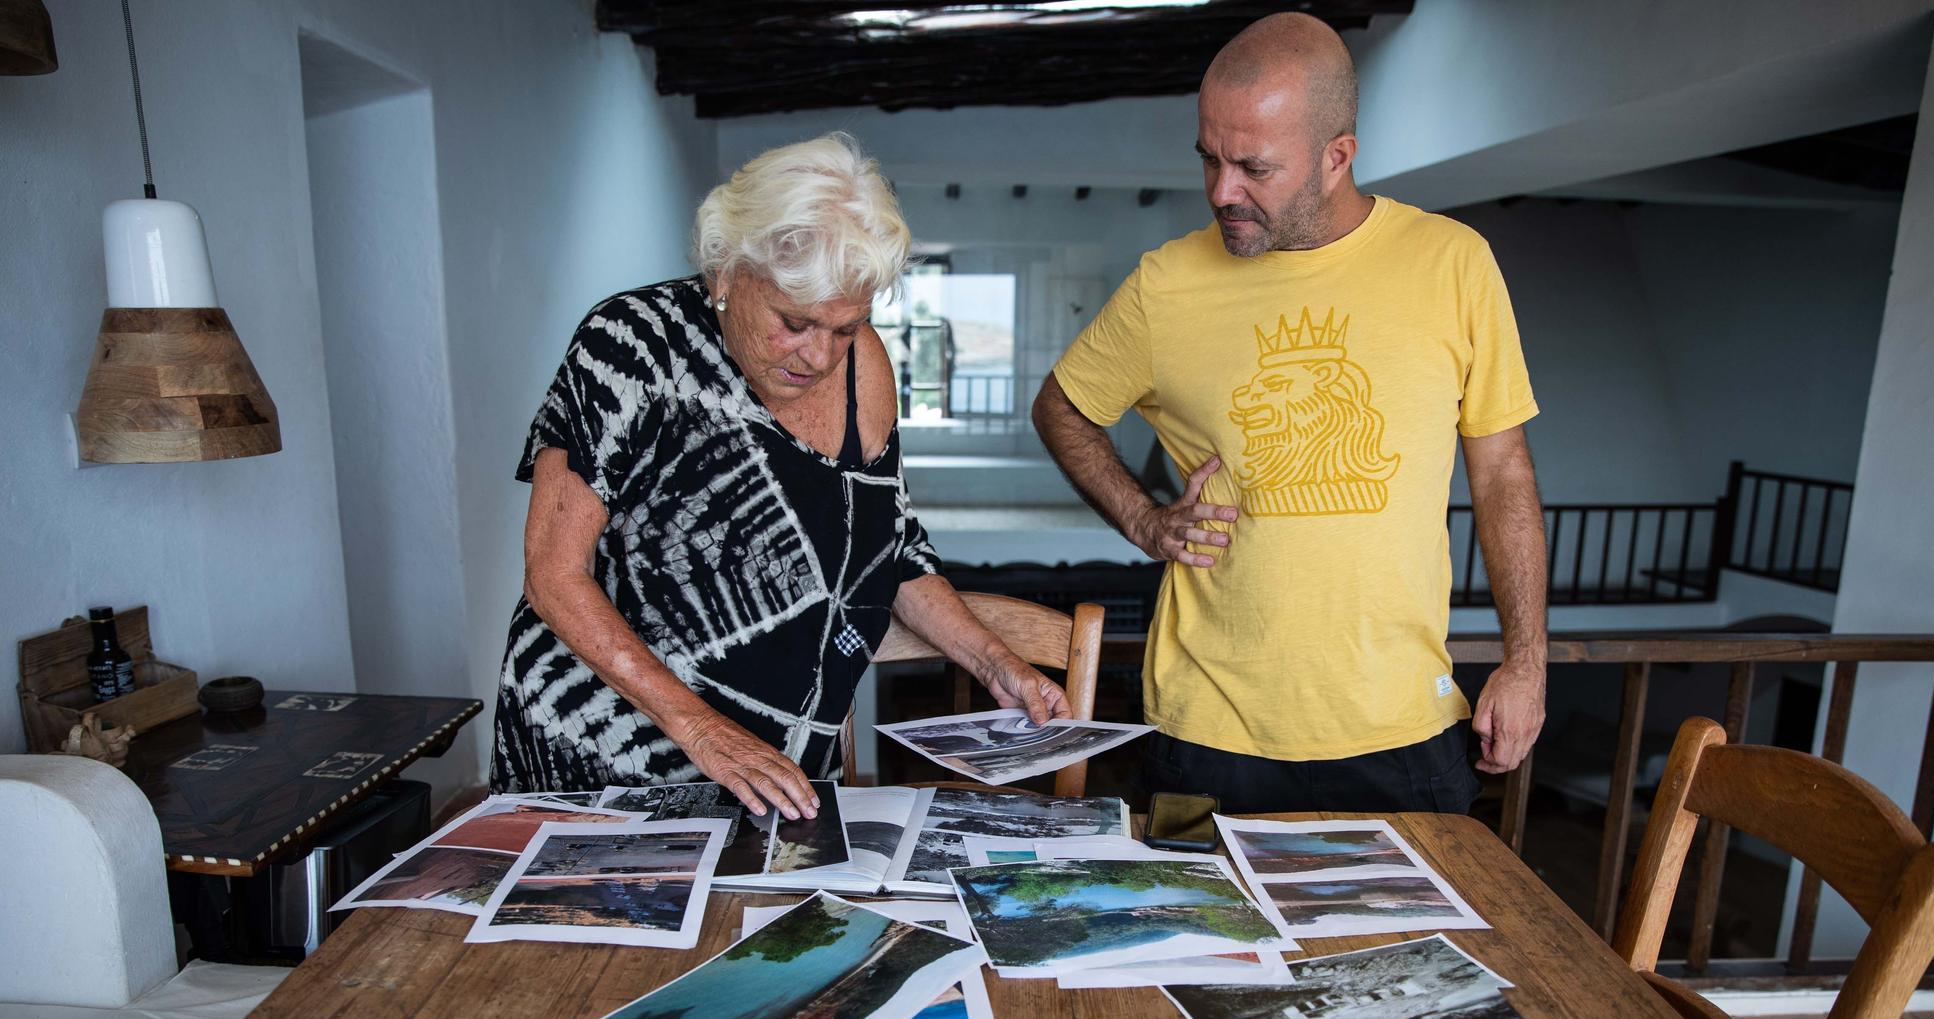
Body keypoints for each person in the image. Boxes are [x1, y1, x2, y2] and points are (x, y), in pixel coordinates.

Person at [1032, 13, 1547, 815]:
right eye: (1209, 158)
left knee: (1408, 944)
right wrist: (1143, 520)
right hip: (1206, 733)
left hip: (1403, 731)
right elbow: (1063, 406)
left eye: (1253, 167)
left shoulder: (1454, 265)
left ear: (1337, 156)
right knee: (1197, 941)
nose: (1220, 192)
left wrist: (1527, 661)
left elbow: (1504, 471)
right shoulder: (1166, 283)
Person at [492, 134, 1069, 815]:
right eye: (795, 322)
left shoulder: (865, 369)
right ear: (728, 274)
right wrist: (703, 730)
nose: (821, 355)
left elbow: (892, 554)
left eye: (846, 327)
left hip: (784, 784)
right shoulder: (631, 345)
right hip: (604, 768)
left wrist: (993, 660)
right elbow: (554, 573)